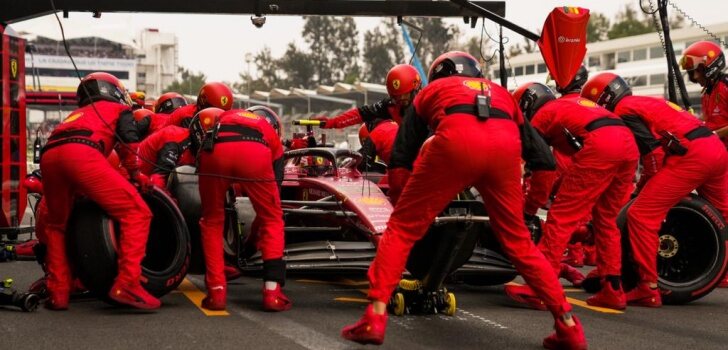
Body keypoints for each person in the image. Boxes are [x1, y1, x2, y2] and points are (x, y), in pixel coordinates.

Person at [341, 51, 586, 349]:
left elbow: (402, 156)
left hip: (454, 144)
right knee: (520, 244)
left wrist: (403, 203)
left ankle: (374, 316)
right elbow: (545, 161)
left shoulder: (430, 92)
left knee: (402, 230)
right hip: (505, 149)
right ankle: (568, 324)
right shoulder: (502, 94)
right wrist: (530, 210)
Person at [581, 72, 728, 307]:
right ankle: (723, 273)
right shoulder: (645, 101)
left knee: (640, 215)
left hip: (693, 155)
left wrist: (640, 190)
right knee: (724, 218)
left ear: (604, 100)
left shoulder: (623, 111)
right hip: (716, 150)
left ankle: (647, 287)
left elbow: (653, 154)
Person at [509, 82, 639, 311]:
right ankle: (612, 290)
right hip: (627, 144)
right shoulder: (569, 106)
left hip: (602, 144)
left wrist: (529, 209)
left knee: (561, 217)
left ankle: (539, 290)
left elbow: (543, 172)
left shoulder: (543, 117)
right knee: (606, 220)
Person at [39, 72, 159, 310]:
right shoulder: (117, 109)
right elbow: (129, 142)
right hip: (82, 154)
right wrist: (136, 175)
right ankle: (127, 283)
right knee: (137, 213)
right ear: (114, 91)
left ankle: (59, 292)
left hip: (50, 155)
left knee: (55, 226)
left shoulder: (75, 114)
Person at [191, 107, 290, 311]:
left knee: (211, 221)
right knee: (272, 219)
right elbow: (277, 182)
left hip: (215, 151)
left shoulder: (226, 115)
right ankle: (272, 292)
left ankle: (216, 291)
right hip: (254, 153)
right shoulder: (267, 129)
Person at [680, 41, 728, 287]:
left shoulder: (725, 86)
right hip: (718, 157)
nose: (693, 76)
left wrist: (711, 134)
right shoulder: (708, 91)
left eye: (696, 70)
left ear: (709, 67)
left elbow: (718, 128)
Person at [315, 64, 421, 129]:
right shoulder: (389, 105)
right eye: (397, 97)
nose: (401, 99)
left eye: (405, 95)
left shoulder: (427, 104)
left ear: (415, 89)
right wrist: (332, 122)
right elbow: (360, 114)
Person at [166, 82, 234, 127]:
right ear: (203, 102)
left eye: (223, 111)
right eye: (214, 109)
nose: (218, 114)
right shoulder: (187, 116)